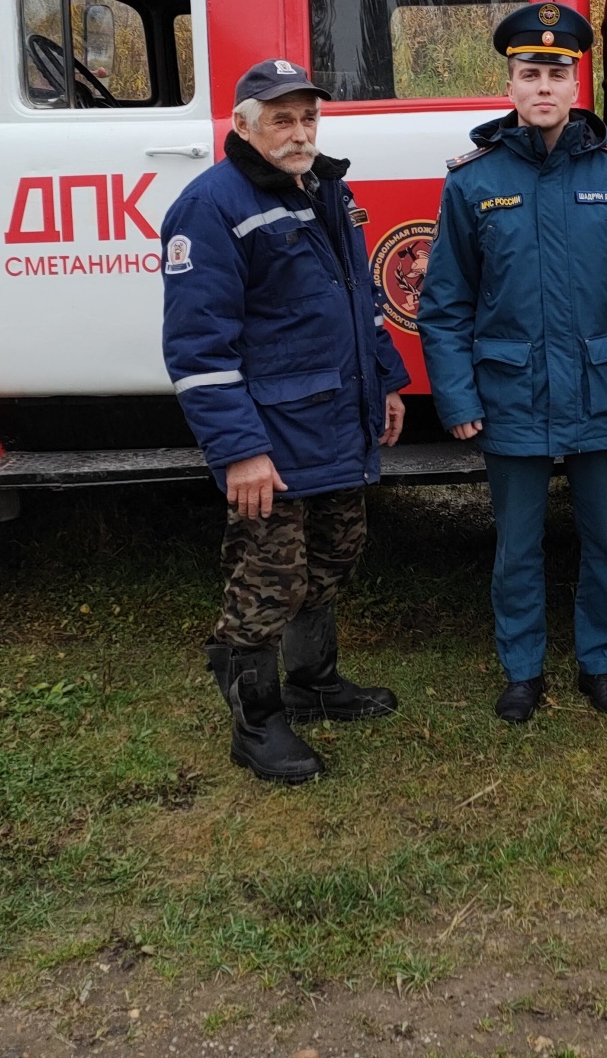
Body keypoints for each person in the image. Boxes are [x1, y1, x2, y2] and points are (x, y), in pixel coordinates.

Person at [418, 1, 607, 723]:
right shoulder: (471, 183)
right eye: (529, 73)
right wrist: (459, 399)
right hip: (511, 395)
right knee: (517, 548)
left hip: (602, 392)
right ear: (509, 85)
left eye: (557, 74)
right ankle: (523, 671)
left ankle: (600, 663)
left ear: (577, 86)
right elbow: (444, 307)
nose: (543, 87)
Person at [162, 59, 412, 785]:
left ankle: (313, 681)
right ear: (242, 125)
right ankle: (256, 718)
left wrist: (389, 383)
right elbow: (198, 348)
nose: (299, 132)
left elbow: (357, 299)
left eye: (307, 118)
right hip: (270, 435)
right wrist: (239, 450)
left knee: (339, 547)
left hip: (335, 418)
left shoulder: (325, 187)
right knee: (268, 572)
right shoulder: (211, 205)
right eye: (281, 119)